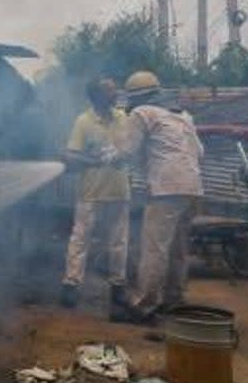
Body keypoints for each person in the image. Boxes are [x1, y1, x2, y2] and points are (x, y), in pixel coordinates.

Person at [112, 71, 204, 324]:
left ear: (136, 97)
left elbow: (126, 150)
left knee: (154, 249)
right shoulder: (183, 115)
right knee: (178, 248)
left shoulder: (142, 113)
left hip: (166, 187)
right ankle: (174, 300)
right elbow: (201, 151)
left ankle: (145, 306)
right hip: (193, 186)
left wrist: (106, 156)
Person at [59, 77, 131, 309]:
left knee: (118, 242)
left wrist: (121, 156)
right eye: (110, 90)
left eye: (115, 88)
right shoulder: (84, 121)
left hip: (119, 191)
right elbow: (70, 155)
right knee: (80, 239)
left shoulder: (124, 118)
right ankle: (71, 284)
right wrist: (92, 160)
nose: (116, 93)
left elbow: (132, 149)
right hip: (89, 192)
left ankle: (118, 287)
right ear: (96, 96)